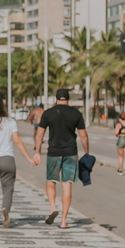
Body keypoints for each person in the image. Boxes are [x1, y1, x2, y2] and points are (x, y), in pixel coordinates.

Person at [32, 88, 88, 229]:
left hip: (53, 153)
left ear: (56, 99)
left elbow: (39, 135)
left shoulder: (48, 113)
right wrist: (87, 152)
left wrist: (37, 152)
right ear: (68, 99)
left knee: (51, 181)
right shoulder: (76, 114)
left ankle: (52, 207)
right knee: (67, 185)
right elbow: (83, 136)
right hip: (71, 153)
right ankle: (64, 221)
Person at [0, 97, 35, 228]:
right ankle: (6, 209)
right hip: (8, 160)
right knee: (8, 189)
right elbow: (17, 141)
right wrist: (29, 158)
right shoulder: (11, 122)